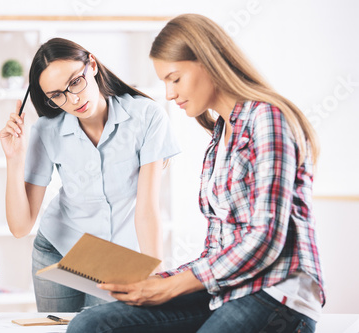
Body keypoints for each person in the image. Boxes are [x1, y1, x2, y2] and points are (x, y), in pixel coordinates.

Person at [67, 13, 325, 333]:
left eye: (175, 78)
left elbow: (265, 239)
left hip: (276, 294)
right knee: (90, 323)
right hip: (228, 290)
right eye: (165, 82)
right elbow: (220, 250)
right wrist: (158, 281)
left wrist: (172, 287)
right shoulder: (220, 134)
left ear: (209, 62)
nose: (170, 94)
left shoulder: (266, 119)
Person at [0, 38, 180, 312]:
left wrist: (156, 277)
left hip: (114, 257)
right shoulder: (47, 130)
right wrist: (14, 159)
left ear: (92, 65)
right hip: (58, 247)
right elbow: (20, 227)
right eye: (57, 95)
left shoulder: (147, 117)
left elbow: (147, 210)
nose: (73, 99)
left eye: (75, 82)